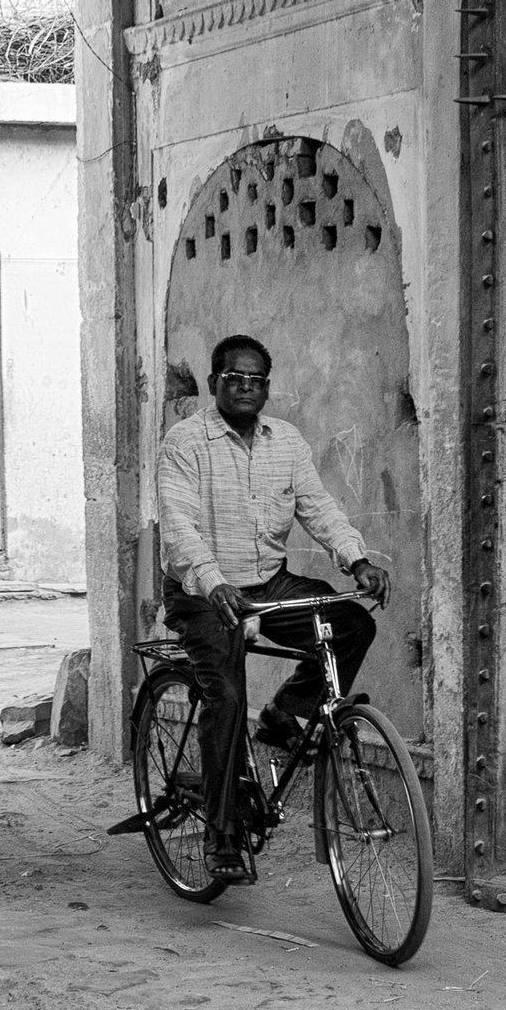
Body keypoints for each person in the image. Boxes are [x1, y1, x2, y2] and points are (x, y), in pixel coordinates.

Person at [157, 335, 388, 880]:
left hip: (268, 584)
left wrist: (356, 560)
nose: (245, 387)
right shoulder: (185, 442)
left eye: (255, 380)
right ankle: (222, 837)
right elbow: (178, 525)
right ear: (214, 384)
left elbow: (318, 507)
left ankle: (286, 712)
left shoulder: (285, 440)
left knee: (351, 623)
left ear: (267, 387)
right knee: (228, 695)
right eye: (233, 378)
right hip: (202, 591)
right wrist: (212, 583)